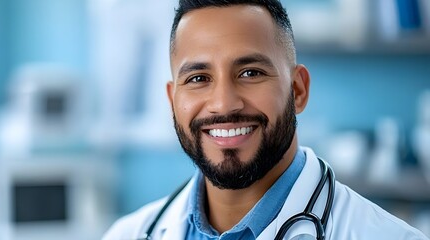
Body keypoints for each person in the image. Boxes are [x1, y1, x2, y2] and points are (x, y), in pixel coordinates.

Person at [103, 0, 429, 239]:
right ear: (173, 101)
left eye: (250, 73)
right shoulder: (129, 234)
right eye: (199, 78)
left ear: (298, 90)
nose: (223, 104)